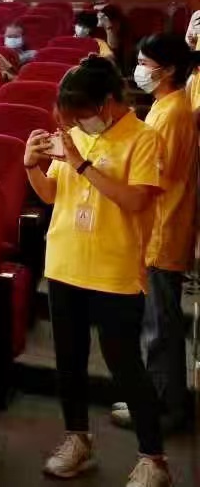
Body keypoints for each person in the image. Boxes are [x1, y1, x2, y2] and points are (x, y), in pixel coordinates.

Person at [22, 56, 169, 485]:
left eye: (82, 114)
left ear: (105, 104)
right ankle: (77, 439)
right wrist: (31, 165)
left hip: (114, 268)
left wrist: (83, 165)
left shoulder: (143, 138)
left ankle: (154, 459)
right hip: (64, 262)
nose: (76, 123)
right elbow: (50, 195)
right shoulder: (74, 136)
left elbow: (136, 201)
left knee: (125, 365)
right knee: (68, 359)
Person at [112, 34, 197, 435]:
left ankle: (165, 409)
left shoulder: (174, 112)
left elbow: (157, 175)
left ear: (170, 69)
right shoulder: (164, 105)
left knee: (160, 327)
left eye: (146, 63)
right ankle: (153, 397)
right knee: (156, 322)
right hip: (158, 227)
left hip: (164, 229)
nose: (140, 70)